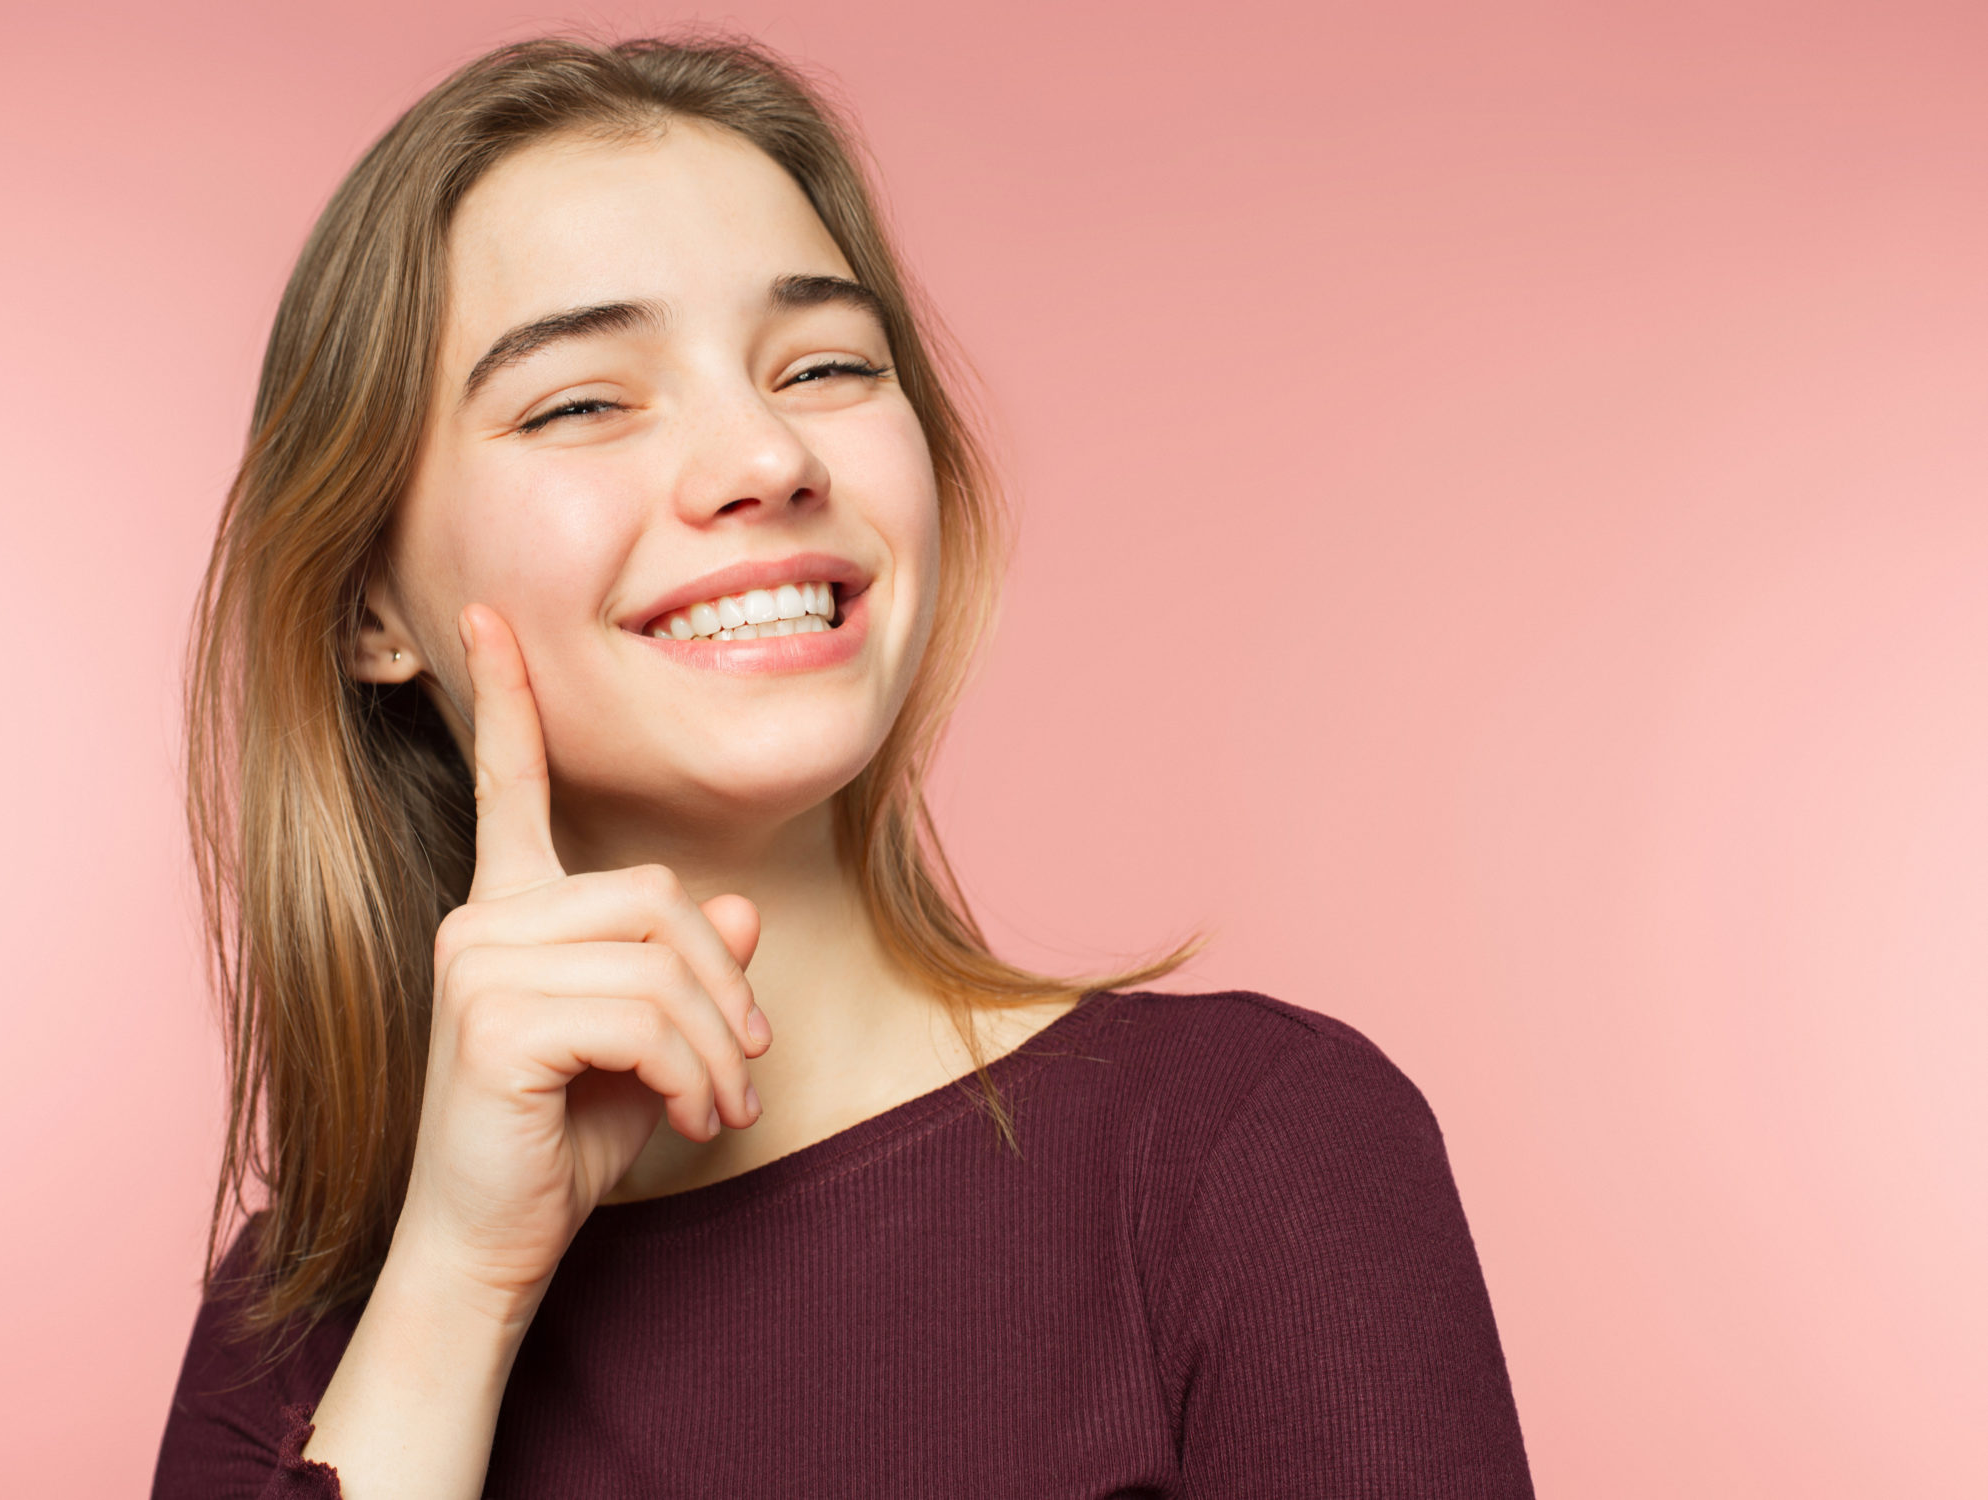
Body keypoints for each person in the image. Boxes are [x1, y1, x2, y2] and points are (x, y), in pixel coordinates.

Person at [151, 32, 1535, 1500]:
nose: (762, 453)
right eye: (581, 400)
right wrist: (456, 1286)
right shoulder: (298, 1341)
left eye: (823, 367)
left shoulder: (1252, 1157)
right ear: (371, 604)